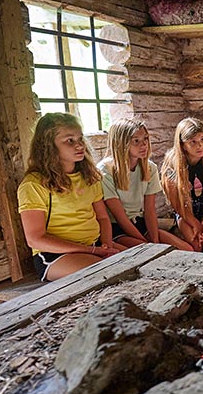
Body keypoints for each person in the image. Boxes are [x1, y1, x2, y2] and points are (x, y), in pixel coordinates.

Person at [17, 113, 123, 281]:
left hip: (94, 246)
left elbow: (102, 218)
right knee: (109, 274)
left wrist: (107, 246)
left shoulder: (88, 176)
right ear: (48, 146)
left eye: (80, 139)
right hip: (56, 256)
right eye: (70, 141)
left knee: (138, 261)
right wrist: (94, 252)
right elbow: (35, 239)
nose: (79, 145)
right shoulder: (35, 184)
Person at [98, 118, 193, 251]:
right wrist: (148, 245)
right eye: (136, 141)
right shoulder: (106, 170)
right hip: (117, 228)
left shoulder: (149, 168)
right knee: (149, 252)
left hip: (139, 222)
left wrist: (154, 240)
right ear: (121, 143)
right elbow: (120, 217)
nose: (143, 145)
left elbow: (150, 211)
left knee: (187, 249)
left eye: (146, 139)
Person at [160, 117, 203, 252]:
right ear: (183, 145)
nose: (200, 145)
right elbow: (177, 205)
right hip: (186, 213)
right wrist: (195, 223)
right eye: (193, 142)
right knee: (197, 245)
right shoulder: (172, 166)